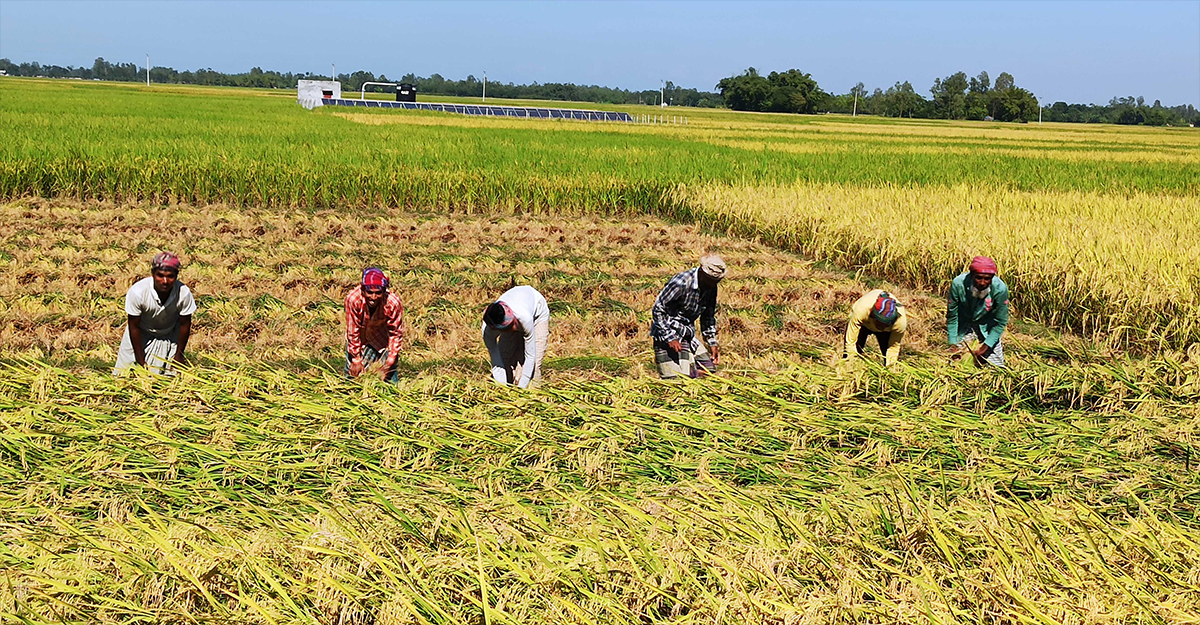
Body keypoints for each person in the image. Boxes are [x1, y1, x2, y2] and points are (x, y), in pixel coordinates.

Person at [113, 252, 196, 376]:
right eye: (160, 276)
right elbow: (134, 326)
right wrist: (140, 361)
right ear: (153, 274)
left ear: (176, 276)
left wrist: (179, 355)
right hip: (140, 333)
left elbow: (185, 325)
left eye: (170, 276)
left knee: (169, 377)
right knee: (126, 375)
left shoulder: (183, 294)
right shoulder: (138, 292)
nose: (165, 281)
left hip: (169, 333)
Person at [651, 253, 727, 379]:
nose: (714, 285)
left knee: (708, 370)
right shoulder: (681, 283)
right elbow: (658, 309)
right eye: (712, 280)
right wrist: (670, 338)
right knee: (677, 380)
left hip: (687, 332)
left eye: (717, 281)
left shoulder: (711, 287)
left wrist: (712, 343)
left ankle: (690, 371)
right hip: (668, 330)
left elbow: (707, 317)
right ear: (702, 273)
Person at [344, 267, 406, 382]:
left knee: (389, 382)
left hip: (382, 340)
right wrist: (356, 359)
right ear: (363, 290)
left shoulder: (392, 303)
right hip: (361, 339)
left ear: (384, 291)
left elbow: (396, 333)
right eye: (370, 293)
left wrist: (388, 363)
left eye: (378, 293)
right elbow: (353, 330)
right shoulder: (353, 300)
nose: (373, 297)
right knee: (353, 378)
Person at [482, 285, 550, 388]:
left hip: (538, 315)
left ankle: (534, 395)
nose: (513, 329)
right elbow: (497, 361)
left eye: (512, 325)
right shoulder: (488, 331)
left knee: (534, 366)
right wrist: (502, 389)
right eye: (507, 328)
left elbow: (530, 356)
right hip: (515, 314)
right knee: (505, 359)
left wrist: (521, 391)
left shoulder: (524, 317)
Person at [947, 256, 1009, 367]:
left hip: (987, 328)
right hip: (964, 325)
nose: (982, 283)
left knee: (996, 368)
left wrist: (985, 347)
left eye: (987, 279)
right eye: (978, 278)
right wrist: (953, 343)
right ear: (971, 275)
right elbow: (952, 316)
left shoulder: (1000, 289)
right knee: (957, 364)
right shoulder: (958, 284)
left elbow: (1000, 322)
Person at [843, 290, 907, 367]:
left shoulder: (900, 323)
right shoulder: (861, 309)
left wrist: (890, 369)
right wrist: (851, 363)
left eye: (884, 325)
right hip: (865, 323)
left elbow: (893, 347)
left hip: (886, 331)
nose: (881, 327)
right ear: (873, 315)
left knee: (887, 355)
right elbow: (850, 342)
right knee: (854, 349)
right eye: (880, 323)